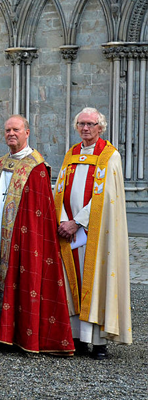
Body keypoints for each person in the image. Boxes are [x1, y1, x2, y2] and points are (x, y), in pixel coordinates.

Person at [0, 115, 74, 355]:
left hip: (23, 239)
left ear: (27, 132)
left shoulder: (36, 167)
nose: (11, 134)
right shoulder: (0, 164)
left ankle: (22, 335)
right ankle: (0, 333)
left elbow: (38, 215)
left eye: (16, 129)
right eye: (7, 130)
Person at [55, 107, 132, 359]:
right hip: (69, 231)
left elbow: (107, 196)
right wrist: (64, 220)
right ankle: (77, 339)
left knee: (97, 281)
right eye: (81, 124)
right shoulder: (71, 154)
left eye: (90, 124)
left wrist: (77, 221)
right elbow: (60, 189)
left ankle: (98, 342)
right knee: (72, 281)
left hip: (95, 232)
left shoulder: (110, 156)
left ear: (101, 127)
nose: (85, 128)